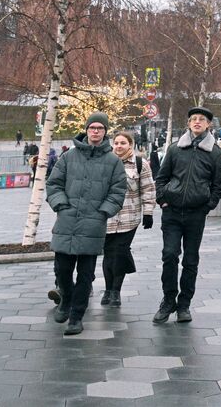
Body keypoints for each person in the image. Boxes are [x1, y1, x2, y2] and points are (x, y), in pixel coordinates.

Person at [45, 113, 127, 335]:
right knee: (62, 269)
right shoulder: (69, 157)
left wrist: (103, 212)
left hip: (93, 223)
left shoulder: (113, 161)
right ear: (86, 129)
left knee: (85, 274)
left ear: (105, 132)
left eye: (100, 128)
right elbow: (53, 184)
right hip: (67, 221)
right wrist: (61, 205)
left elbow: (118, 191)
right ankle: (66, 300)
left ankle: (76, 316)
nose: (96, 131)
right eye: (92, 127)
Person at [153, 106, 221, 325]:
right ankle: (168, 301)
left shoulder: (215, 152)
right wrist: (162, 199)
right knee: (169, 255)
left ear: (208, 124)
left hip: (196, 214)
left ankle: (184, 305)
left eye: (201, 119)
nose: (197, 122)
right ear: (188, 123)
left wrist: (208, 206)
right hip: (172, 212)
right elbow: (162, 177)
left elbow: (219, 185)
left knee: (191, 260)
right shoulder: (176, 149)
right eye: (193, 119)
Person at [102, 130, 156, 308]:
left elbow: (148, 189)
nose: (118, 146)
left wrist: (148, 212)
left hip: (129, 217)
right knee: (109, 255)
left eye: (123, 143)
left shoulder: (140, 164)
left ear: (130, 145)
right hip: (107, 217)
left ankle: (116, 291)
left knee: (119, 252)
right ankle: (108, 289)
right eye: (116, 143)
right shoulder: (105, 162)